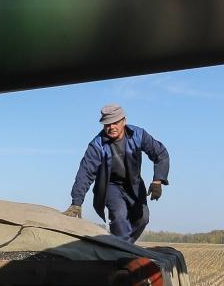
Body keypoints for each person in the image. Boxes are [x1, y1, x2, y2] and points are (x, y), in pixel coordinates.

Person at [62, 104, 169, 242]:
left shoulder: (138, 135)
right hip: (111, 186)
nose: (111, 127)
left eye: (115, 123)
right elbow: (85, 172)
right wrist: (76, 202)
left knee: (143, 218)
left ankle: (122, 246)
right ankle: (121, 249)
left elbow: (160, 153)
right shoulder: (97, 145)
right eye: (107, 124)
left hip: (134, 184)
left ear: (124, 121)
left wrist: (157, 180)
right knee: (119, 217)